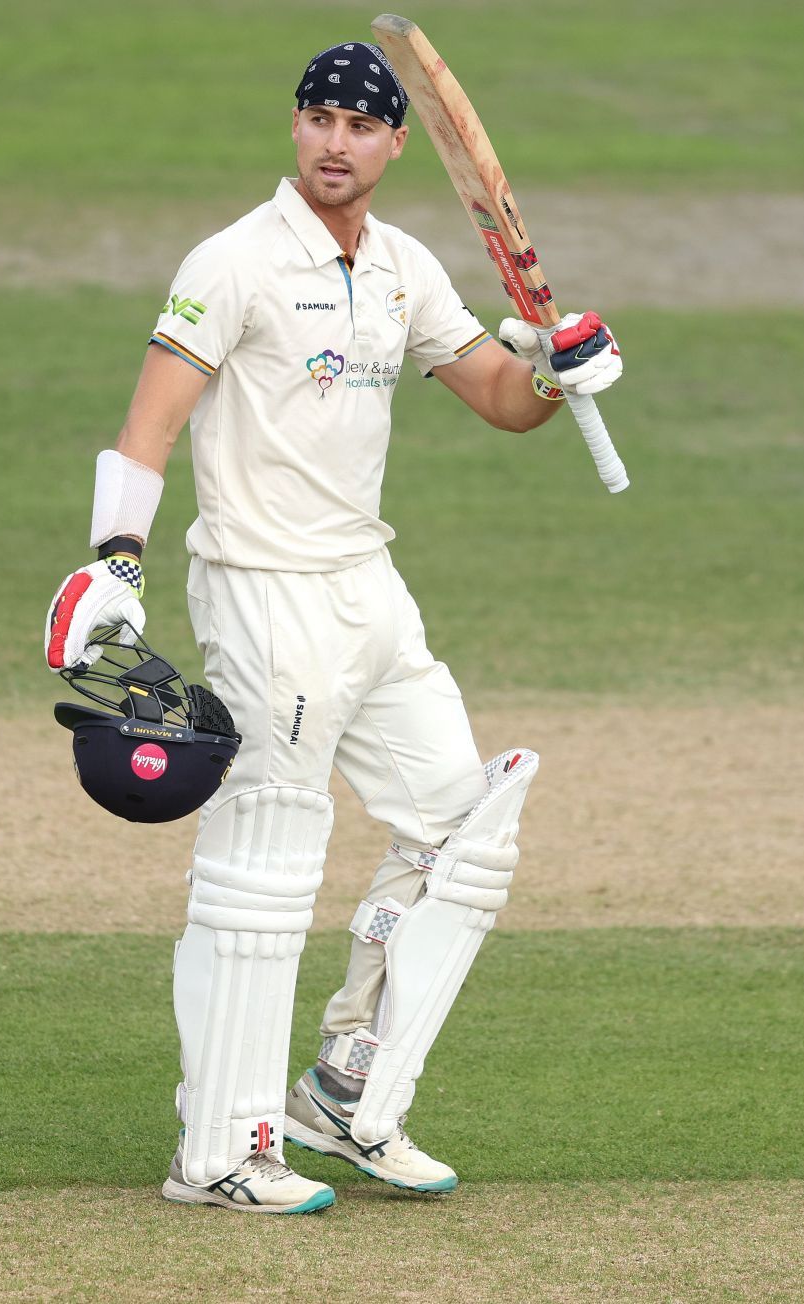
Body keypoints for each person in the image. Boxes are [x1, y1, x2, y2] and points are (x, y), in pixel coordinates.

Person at [43, 40, 622, 1214]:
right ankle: (219, 1148)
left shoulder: (404, 267)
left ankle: (346, 1090)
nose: (334, 143)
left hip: (370, 591)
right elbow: (149, 421)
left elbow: (501, 400)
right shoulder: (237, 261)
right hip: (262, 588)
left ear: (396, 144)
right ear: (296, 128)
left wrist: (563, 377)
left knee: (463, 831)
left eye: (360, 127)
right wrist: (114, 561)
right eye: (318, 119)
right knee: (265, 866)